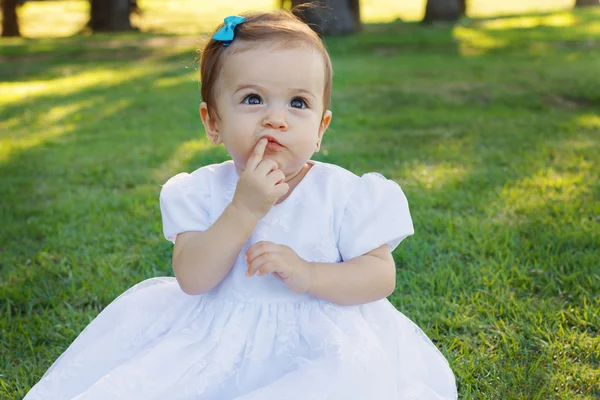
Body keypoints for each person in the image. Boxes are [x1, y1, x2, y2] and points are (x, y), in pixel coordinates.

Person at [24, 10, 457, 400]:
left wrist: (310, 273)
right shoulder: (200, 191)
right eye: (253, 99)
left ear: (321, 127)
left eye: (298, 103)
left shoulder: (344, 194)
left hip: (322, 338)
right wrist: (243, 210)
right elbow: (193, 278)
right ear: (213, 122)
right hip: (217, 337)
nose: (276, 118)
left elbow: (380, 276)